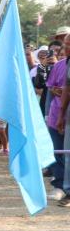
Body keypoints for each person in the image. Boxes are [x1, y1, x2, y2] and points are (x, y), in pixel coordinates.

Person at [44, 33, 70, 200]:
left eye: (68, 45)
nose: (66, 48)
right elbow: (50, 90)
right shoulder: (60, 65)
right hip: (58, 115)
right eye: (65, 45)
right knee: (58, 151)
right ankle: (60, 186)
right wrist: (49, 115)